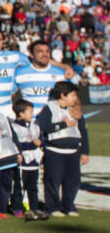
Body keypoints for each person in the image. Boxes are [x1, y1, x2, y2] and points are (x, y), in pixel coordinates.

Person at [36, 81, 89, 218]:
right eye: (72, 95)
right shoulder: (49, 108)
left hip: (73, 152)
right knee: (53, 181)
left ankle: (69, 205)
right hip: (54, 151)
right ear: (62, 95)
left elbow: (83, 131)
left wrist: (84, 152)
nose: (75, 98)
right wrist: (63, 124)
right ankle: (52, 207)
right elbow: (43, 126)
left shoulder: (75, 110)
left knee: (72, 181)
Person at [13, 39, 73, 113]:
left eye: (47, 51)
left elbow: (71, 98)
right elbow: (9, 94)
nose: (44, 54)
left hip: (54, 121)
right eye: (40, 51)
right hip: (31, 121)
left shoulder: (61, 74)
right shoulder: (19, 72)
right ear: (31, 54)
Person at [11, 99, 45, 220]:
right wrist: (33, 144)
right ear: (21, 113)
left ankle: (34, 208)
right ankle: (17, 208)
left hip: (34, 162)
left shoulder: (35, 126)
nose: (32, 114)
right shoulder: (14, 127)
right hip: (22, 162)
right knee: (19, 187)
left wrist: (40, 142)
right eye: (30, 112)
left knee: (33, 187)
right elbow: (17, 143)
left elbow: (41, 140)